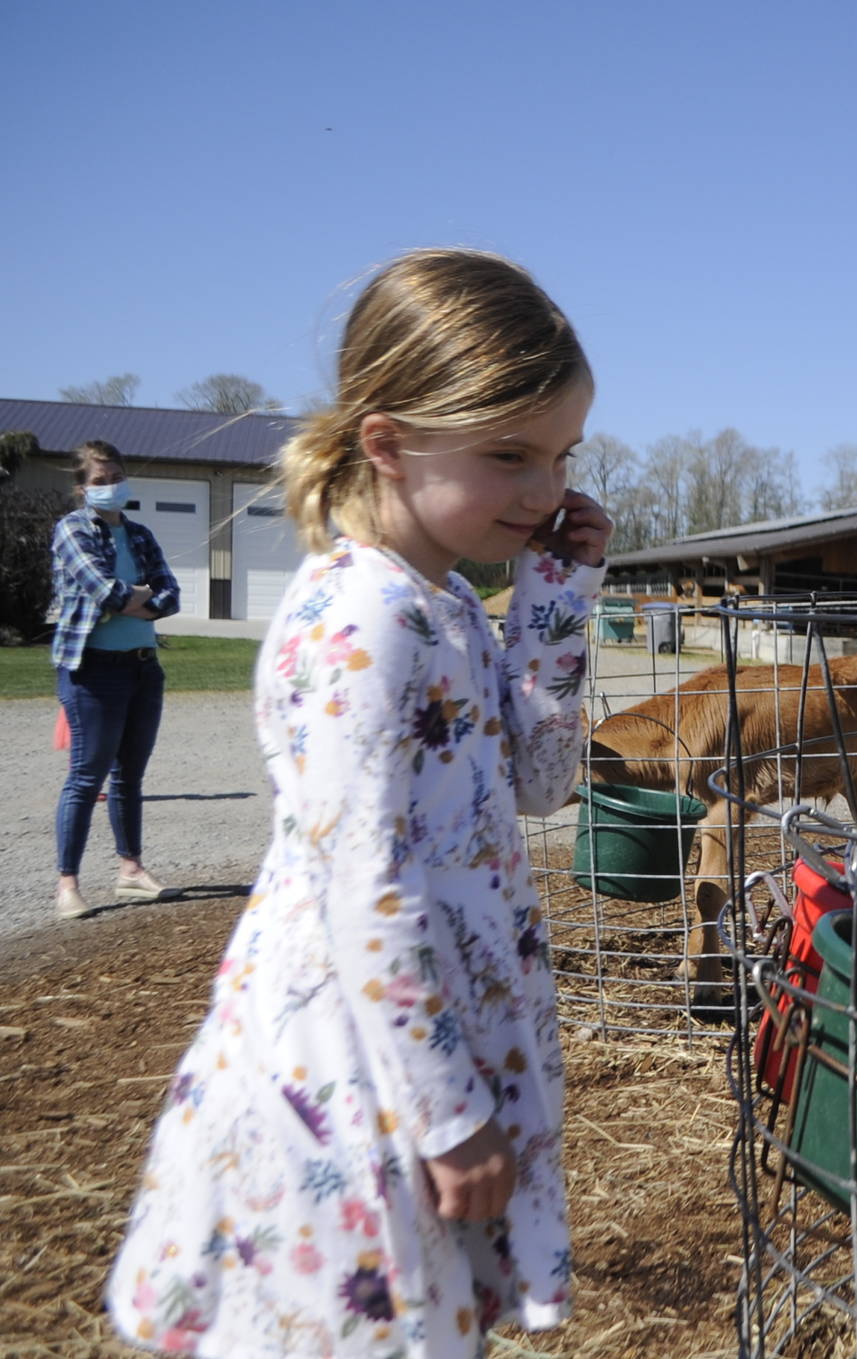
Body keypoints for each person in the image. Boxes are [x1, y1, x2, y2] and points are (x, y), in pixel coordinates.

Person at [106, 248, 612, 1358]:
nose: (546, 491)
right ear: (385, 441)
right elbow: (360, 882)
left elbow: (538, 784)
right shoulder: (361, 620)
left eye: (562, 456)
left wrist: (558, 602)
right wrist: (447, 1111)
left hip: (428, 1039)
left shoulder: (451, 609)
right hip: (359, 1074)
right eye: (509, 454)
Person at [49, 439, 181, 920]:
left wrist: (137, 598)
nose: (110, 487)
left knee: (130, 776)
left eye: (116, 477)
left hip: (143, 666)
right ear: (83, 488)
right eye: (99, 481)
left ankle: (131, 870)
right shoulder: (71, 530)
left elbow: (172, 593)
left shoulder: (140, 534)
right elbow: (103, 589)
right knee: (86, 777)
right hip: (93, 671)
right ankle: (67, 884)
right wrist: (136, 597)